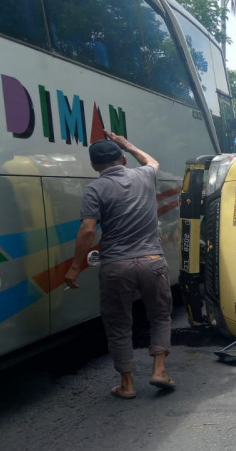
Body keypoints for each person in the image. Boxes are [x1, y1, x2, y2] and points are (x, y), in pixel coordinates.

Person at [64, 132, 175, 399]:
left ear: (94, 166)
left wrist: (75, 267)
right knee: (159, 316)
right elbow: (152, 162)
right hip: (152, 262)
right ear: (123, 159)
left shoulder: (94, 189)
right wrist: (129, 144)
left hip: (116, 266)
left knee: (118, 324)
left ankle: (127, 384)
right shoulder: (143, 175)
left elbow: (88, 230)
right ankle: (159, 371)